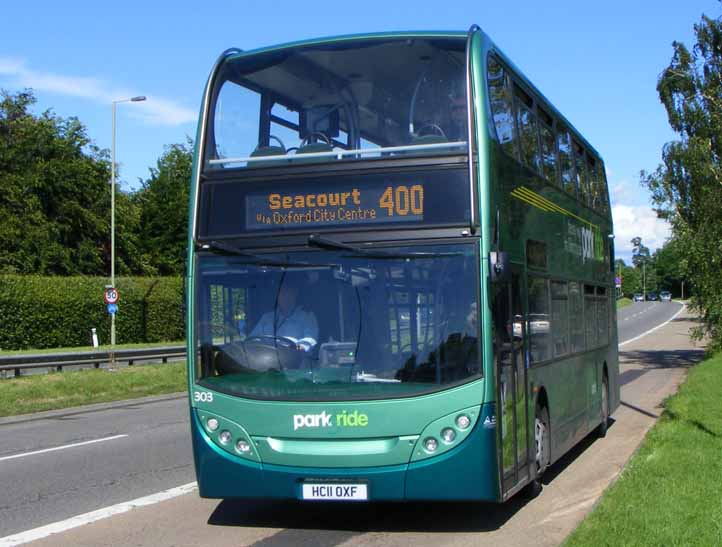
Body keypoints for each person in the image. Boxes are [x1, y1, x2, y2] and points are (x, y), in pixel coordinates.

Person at [249, 280, 319, 352]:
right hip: (266, 359)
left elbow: (310, 339)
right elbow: (253, 339)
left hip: (295, 359)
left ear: (295, 294)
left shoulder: (306, 316)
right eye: (282, 293)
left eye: (288, 293)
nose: (285, 296)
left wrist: (300, 347)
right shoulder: (267, 317)